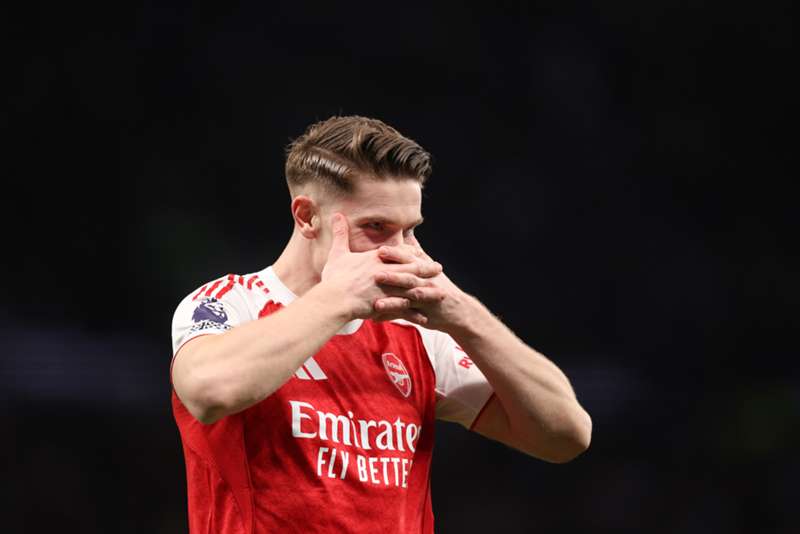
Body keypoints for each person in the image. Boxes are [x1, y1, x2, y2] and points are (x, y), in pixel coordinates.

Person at [169, 115, 592, 533]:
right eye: (376, 228)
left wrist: (464, 313)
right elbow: (209, 392)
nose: (400, 251)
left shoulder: (417, 332)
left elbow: (565, 435)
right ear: (307, 216)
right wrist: (339, 299)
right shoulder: (231, 302)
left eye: (409, 231)